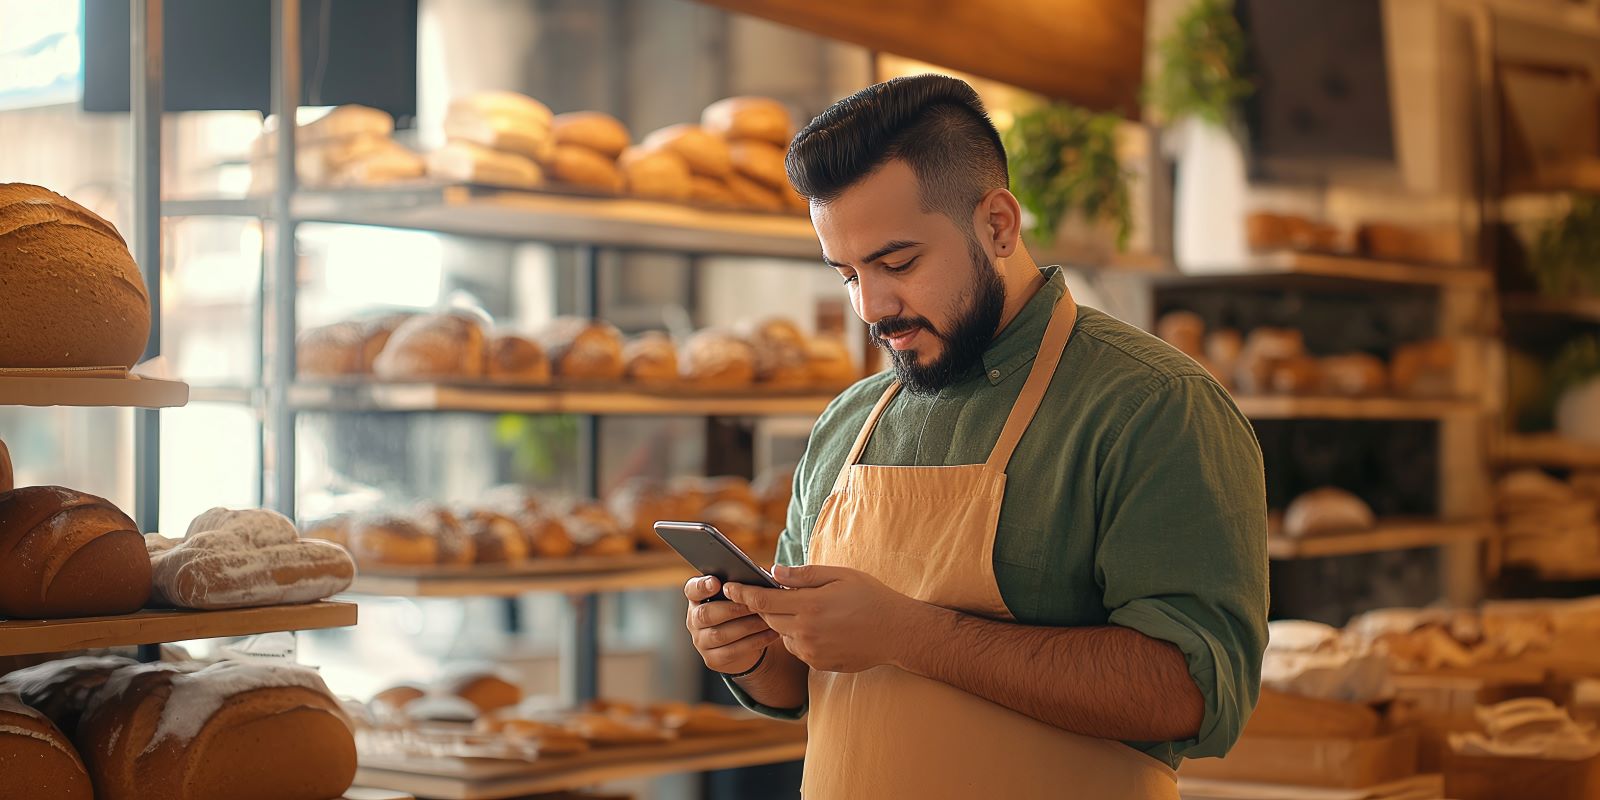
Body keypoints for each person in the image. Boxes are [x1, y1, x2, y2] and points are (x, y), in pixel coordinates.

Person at [683, 74, 1268, 799]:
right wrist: (748, 652)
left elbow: (1194, 694)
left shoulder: (1154, 406)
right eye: (847, 274)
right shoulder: (847, 421)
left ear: (998, 225)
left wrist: (907, 634)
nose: (872, 306)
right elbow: (803, 683)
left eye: (898, 264)